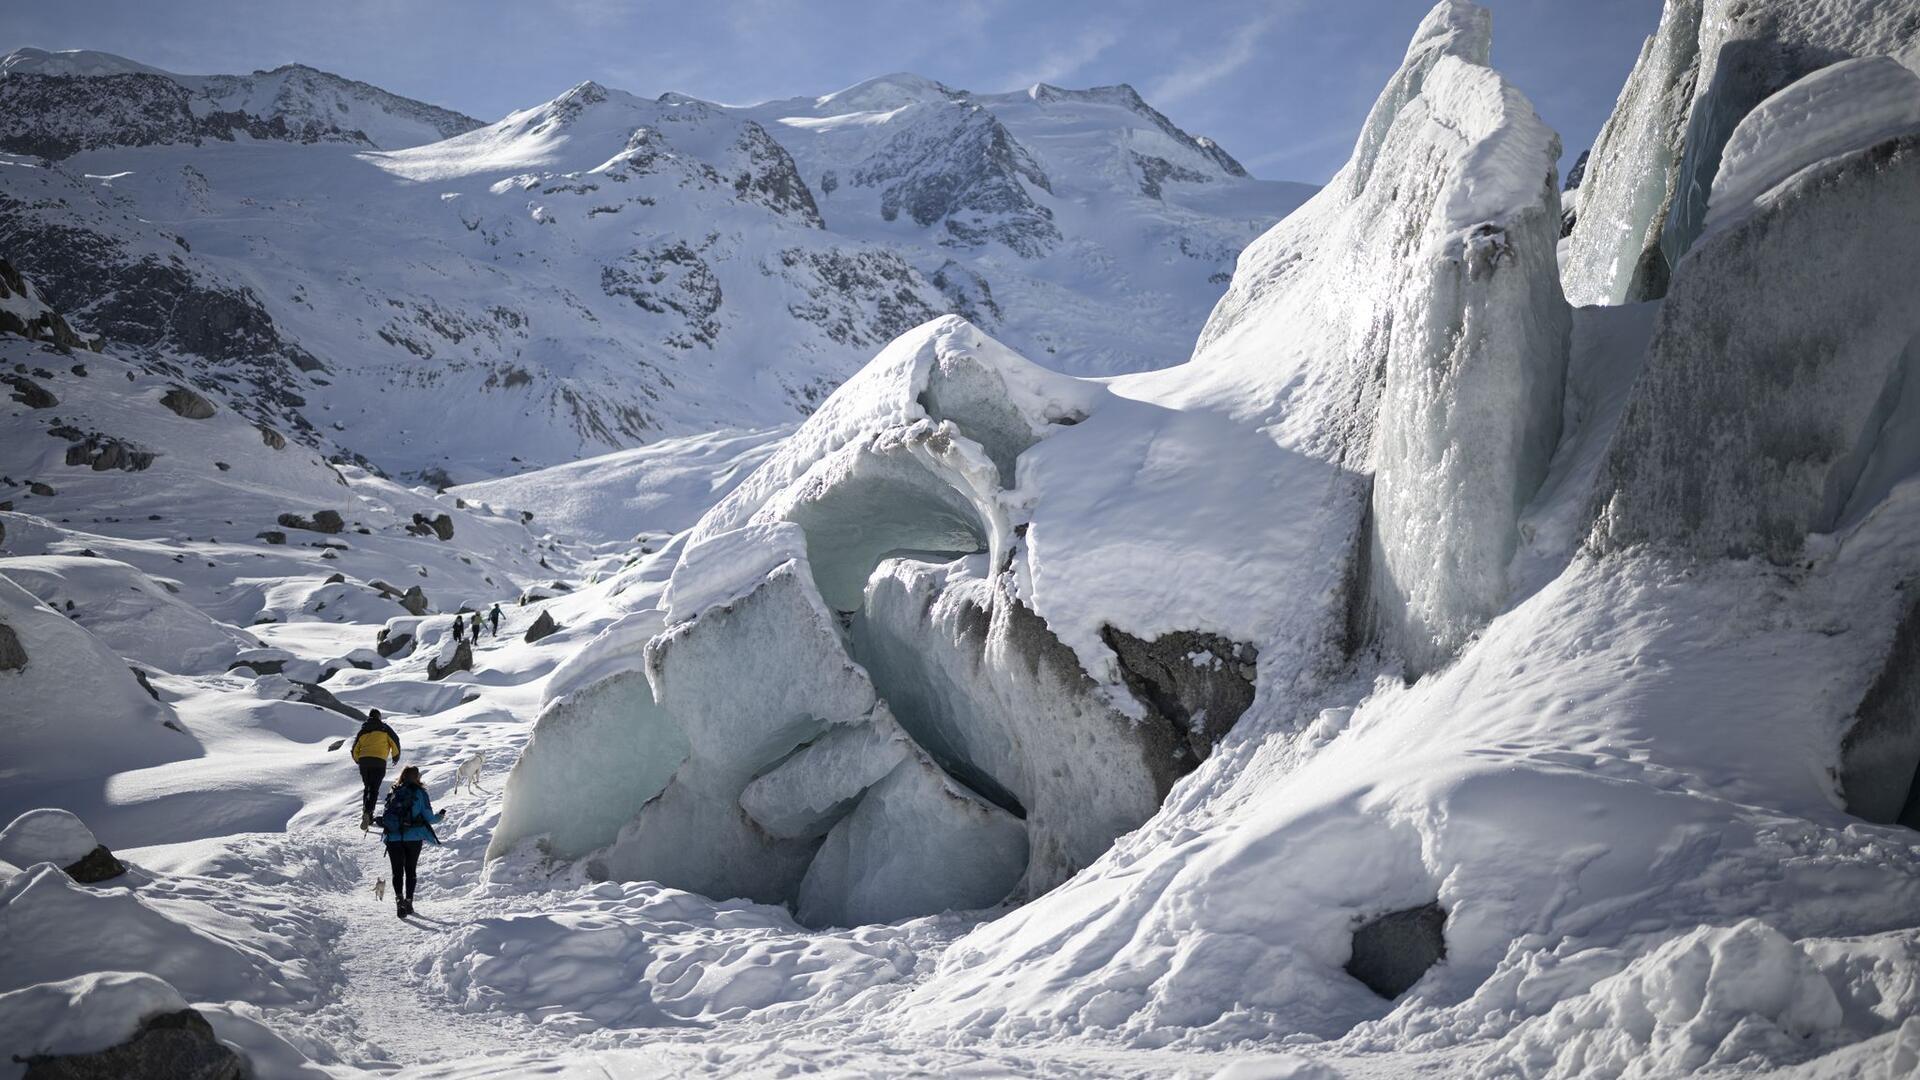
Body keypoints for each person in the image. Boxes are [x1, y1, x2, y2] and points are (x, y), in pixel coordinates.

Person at [379, 765, 444, 918]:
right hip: (413, 837)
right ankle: (408, 902)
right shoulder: (420, 793)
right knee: (410, 870)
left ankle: (399, 899)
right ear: (417, 777)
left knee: (397, 871)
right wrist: (440, 816)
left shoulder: (394, 791)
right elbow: (430, 818)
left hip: (393, 837)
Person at [350, 710, 401, 831]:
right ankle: (368, 812)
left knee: (367, 787)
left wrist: (359, 761)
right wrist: (395, 756)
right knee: (374, 789)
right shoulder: (384, 728)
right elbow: (395, 741)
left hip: (364, 762)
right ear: (379, 717)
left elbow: (354, 749)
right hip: (379, 762)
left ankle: (366, 813)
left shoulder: (363, 730)